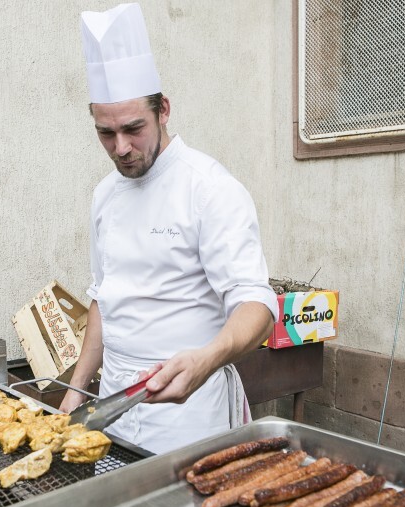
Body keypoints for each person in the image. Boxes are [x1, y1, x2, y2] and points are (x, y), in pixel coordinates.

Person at [59, 3, 278, 455]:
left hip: (189, 413)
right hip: (111, 408)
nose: (121, 148)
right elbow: (104, 297)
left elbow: (257, 305)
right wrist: (78, 389)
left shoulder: (209, 188)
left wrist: (207, 359)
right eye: (105, 133)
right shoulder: (104, 195)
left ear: (164, 110)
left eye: (133, 128)